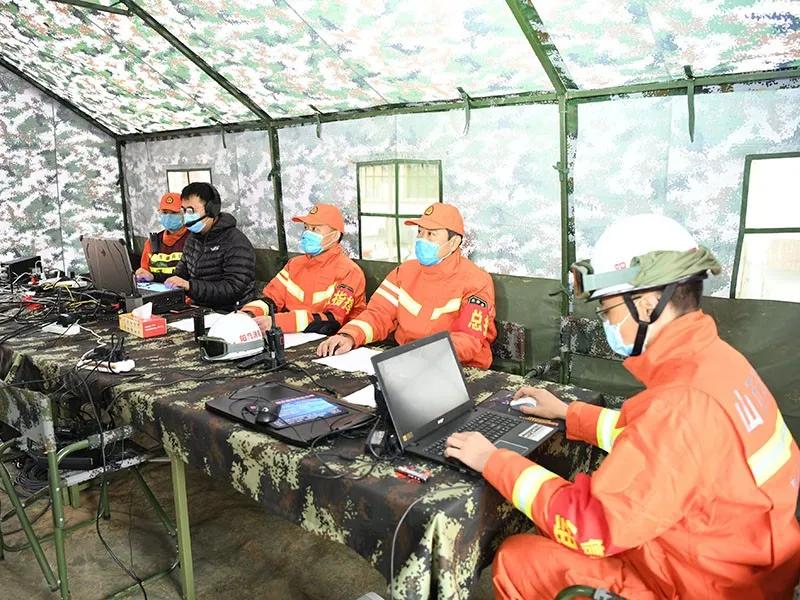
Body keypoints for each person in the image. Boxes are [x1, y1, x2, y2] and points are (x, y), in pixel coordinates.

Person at [444, 214, 800, 599]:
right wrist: (569, 413)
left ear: (647, 304)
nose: (608, 324)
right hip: (737, 563)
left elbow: (588, 526)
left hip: (697, 585)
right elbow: (659, 446)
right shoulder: (719, 364)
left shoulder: (681, 404)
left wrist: (492, 460)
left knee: (519, 559)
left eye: (608, 311)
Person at [316, 203, 496, 368]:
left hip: (462, 369)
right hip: (407, 363)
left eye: (431, 234)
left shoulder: (477, 280)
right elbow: (379, 314)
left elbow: (468, 339)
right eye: (420, 232)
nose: (421, 239)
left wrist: (419, 357)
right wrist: (349, 335)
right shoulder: (404, 272)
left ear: (454, 242)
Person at [240, 203, 366, 334]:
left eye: (315, 229)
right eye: (306, 228)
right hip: (294, 339)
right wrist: (248, 314)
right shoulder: (294, 265)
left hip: (335, 344)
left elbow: (332, 321)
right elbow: (271, 299)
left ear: (334, 236)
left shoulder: (350, 271)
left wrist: (277, 322)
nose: (307, 233)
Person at [164, 182, 256, 312]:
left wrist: (190, 286)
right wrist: (159, 281)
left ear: (211, 210)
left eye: (191, 210)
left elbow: (233, 288)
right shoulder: (192, 239)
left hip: (231, 313)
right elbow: (180, 275)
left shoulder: (235, 242)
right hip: (201, 309)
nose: (186, 216)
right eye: (183, 211)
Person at [135, 192, 190, 283]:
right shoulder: (151, 243)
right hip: (157, 295)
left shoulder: (194, 240)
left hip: (186, 295)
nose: (168, 216)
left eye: (174, 213)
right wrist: (142, 275)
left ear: (185, 213)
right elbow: (144, 272)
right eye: (164, 212)